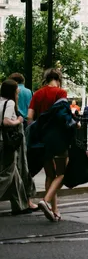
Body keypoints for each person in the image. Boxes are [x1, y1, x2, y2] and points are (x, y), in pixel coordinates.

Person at [27, 68, 70, 222]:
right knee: (62, 173)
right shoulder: (61, 93)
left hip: (42, 139)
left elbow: (29, 116)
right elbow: (64, 116)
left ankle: (54, 210)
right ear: (58, 78)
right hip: (58, 138)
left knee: (50, 174)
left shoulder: (37, 93)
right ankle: (45, 201)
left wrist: (37, 130)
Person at [0, 79, 38, 215]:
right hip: (7, 143)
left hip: (2, 142)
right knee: (7, 173)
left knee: (15, 175)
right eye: (16, 91)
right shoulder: (9, 103)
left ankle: (20, 205)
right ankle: (21, 205)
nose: (18, 93)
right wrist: (18, 120)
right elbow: (5, 121)